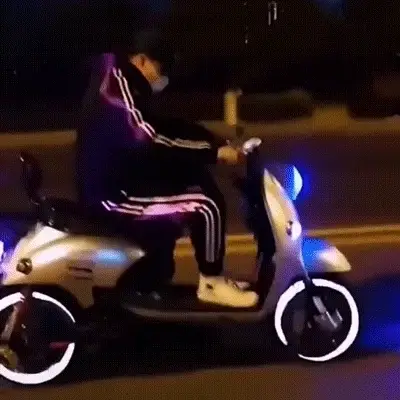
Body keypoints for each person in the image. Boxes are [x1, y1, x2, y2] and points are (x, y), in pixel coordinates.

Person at [76, 30, 258, 308]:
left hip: (126, 177)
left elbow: (163, 125)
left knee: (195, 177)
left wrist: (213, 140)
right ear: (141, 60)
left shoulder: (124, 79)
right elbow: (150, 139)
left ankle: (170, 274)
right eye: (160, 69)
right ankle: (212, 283)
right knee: (204, 205)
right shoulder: (117, 90)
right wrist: (214, 153)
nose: (163, 78)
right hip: (111, 196)